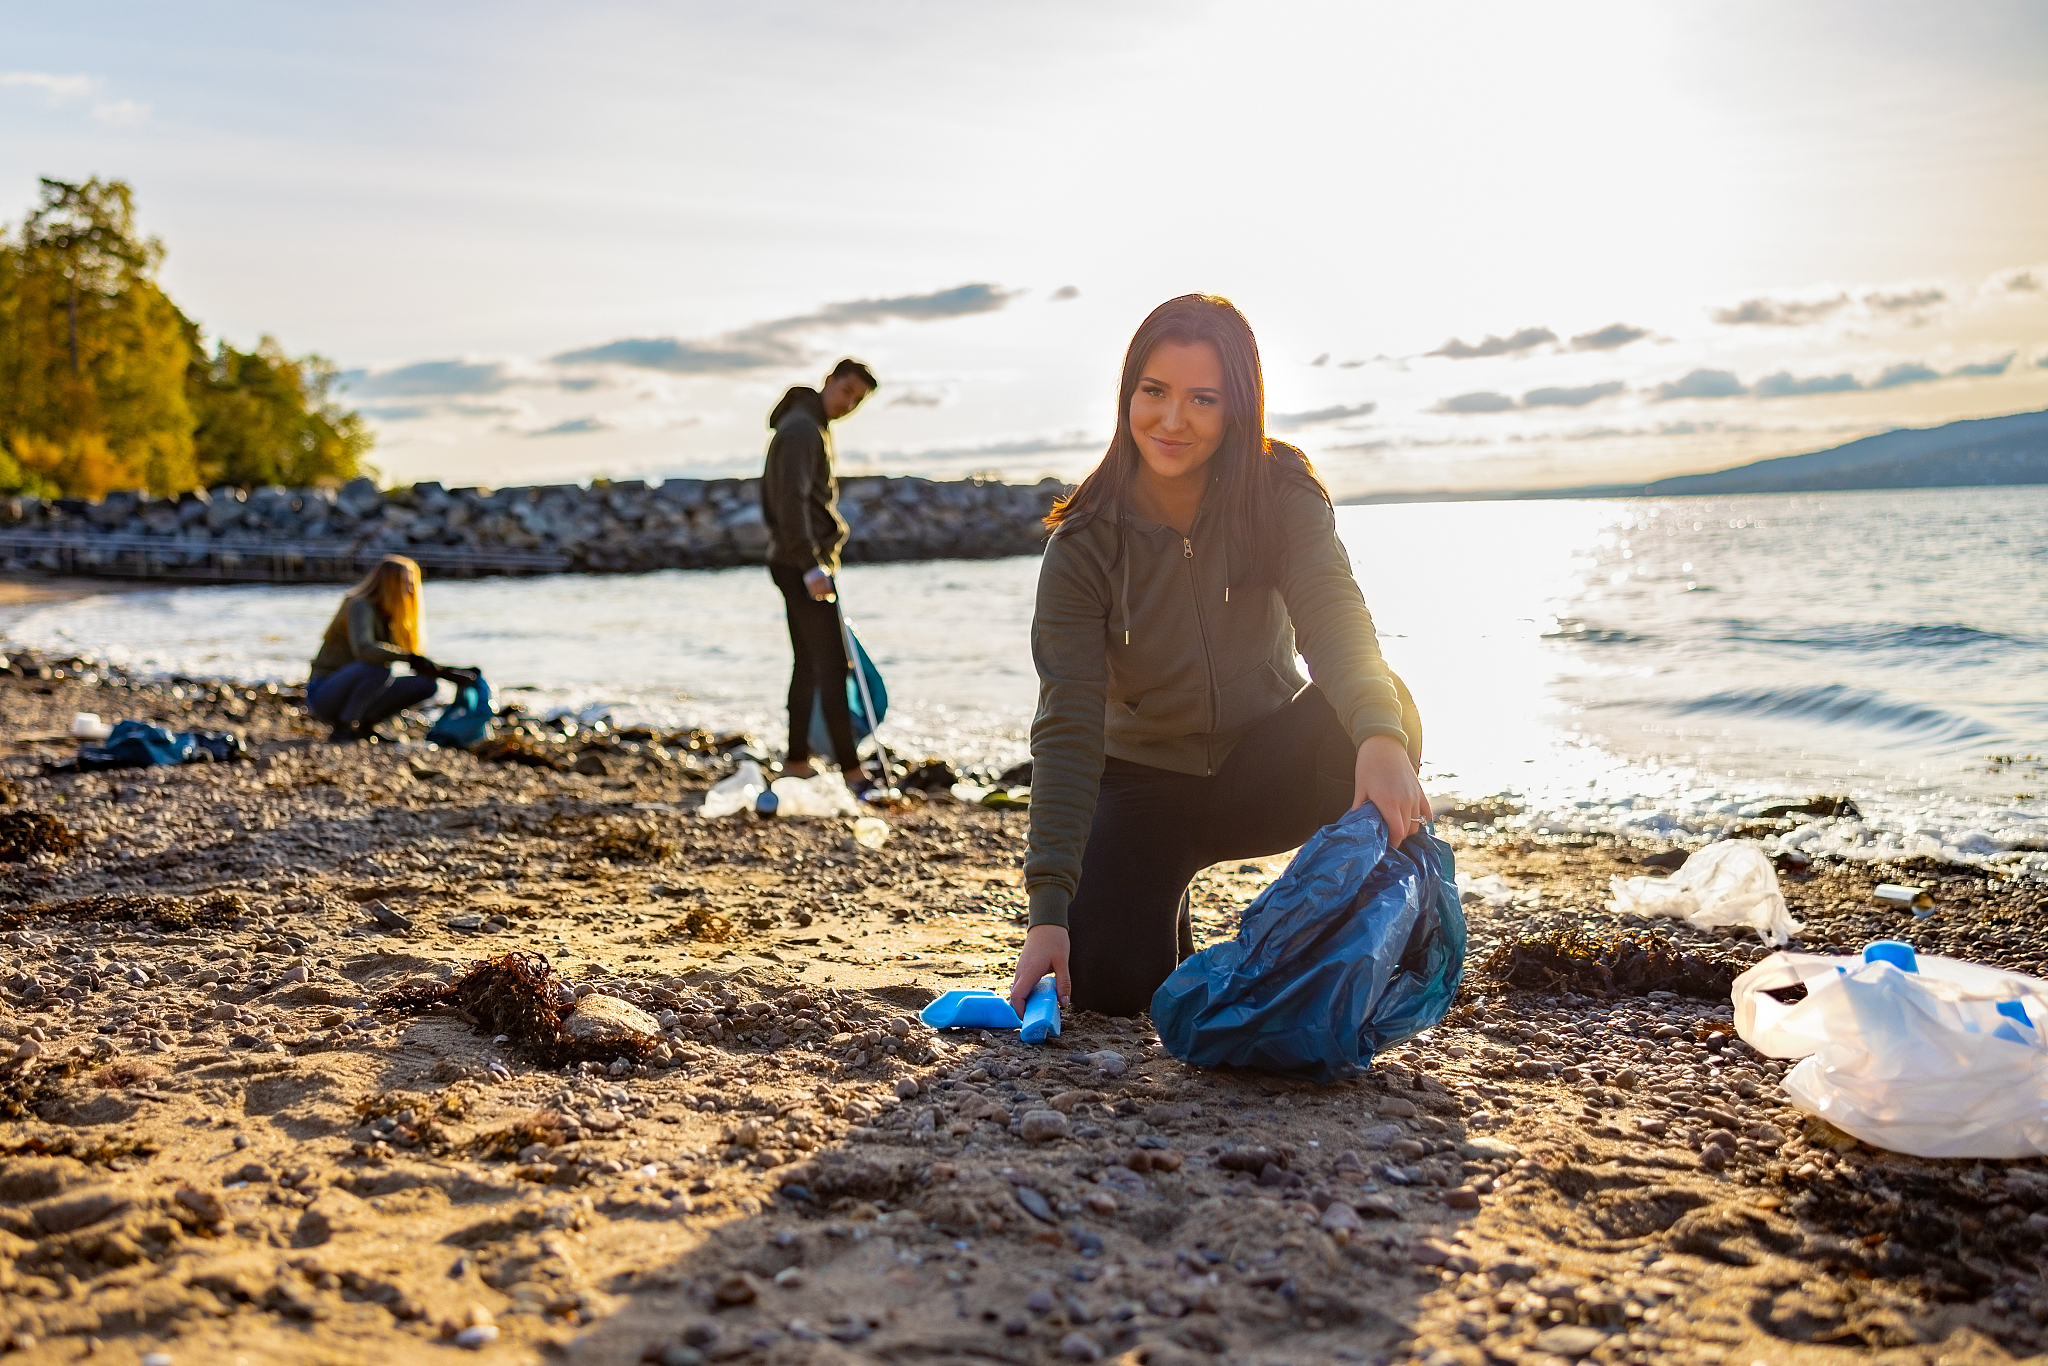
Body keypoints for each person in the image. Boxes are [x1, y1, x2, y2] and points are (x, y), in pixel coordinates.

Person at [1007, 295, 1429, 1018]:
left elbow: (1332, 617)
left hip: (1259, 772)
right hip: (1142, 787)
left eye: (1203, 399)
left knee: (1383, 706)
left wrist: (1383, 740)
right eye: (1155, 393)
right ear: (1127, 394)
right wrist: (1048, 907)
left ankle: (1339, 935)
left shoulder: (1281, 490)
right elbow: (1068, 723)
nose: (1173, 421)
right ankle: (1159, 898)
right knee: (1111, 990)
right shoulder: (1083, 543)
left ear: (1238, 405)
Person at [761, 357, 878, 790]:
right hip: (799, 563)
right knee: (830, 664)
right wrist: (811, 565)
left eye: (858, 400)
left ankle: (796, 761)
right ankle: (851, 772)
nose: (849, 403)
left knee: (809, 664)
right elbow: (789, 503)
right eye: (847, 391)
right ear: (829, 380)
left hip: (796, 560)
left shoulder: (808, 425)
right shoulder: (801, 429)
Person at [306, 555, 443, 743]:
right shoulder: (359, 605)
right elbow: (364, 651)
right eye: (404, 583)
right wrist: (408, 657)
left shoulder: (389, 614)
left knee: (426, 684)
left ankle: (366, 725)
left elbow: (403, 658)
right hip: (323, 693)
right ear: (388, 583)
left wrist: (444, 671)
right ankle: (344, 727)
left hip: (352, 686)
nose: (410, 590)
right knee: (378, 669)